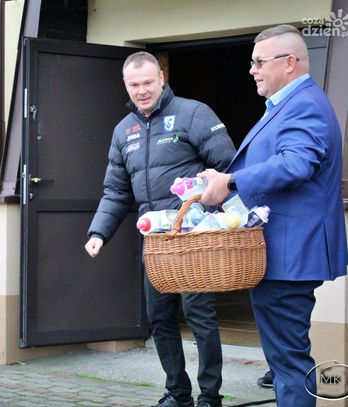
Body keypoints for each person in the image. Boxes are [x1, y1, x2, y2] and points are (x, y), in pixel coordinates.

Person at [198, 25, 348, 406]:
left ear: (290, 62)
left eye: (259, 62)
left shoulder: (303, 104)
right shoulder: (291, 104)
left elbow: (296, 164)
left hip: (288, 257)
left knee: (288, 363)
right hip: (284, 255)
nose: (252, 70)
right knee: (285, 361)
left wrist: (230, 182)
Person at [84, 51, 236, 407]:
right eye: (134, 84)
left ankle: (210, 395)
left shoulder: (193, 113)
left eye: (148, 82)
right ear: (126, 85)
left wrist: (218, 214)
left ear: (162, 79)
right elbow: (116, 191)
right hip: (155, 241)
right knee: (159, 317)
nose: (142, 91)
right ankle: (178, 393)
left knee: (200, 316)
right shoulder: (123, 131)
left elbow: (228, 168)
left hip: (193, 237)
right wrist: (98, 233)